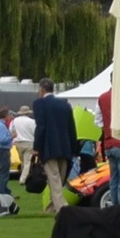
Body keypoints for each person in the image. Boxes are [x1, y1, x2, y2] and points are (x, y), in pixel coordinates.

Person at [32, 80, 78, 213]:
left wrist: (36, 147)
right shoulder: (64, 104)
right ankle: (51, 208)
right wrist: (73, 147)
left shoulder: (39, 104)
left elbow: (41, 127)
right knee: (59, 179)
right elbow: (71, 127)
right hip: (65, 147)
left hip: (49, 147)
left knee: (54, 179)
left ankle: (62, 208)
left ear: (42, 89)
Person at [10, 106, 36, 187]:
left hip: (18, 142)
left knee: (23, 161)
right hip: (29, 142)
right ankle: (23, 179)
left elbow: (11, 131)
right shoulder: (32, 121)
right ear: (28, 113)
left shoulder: (14, 121)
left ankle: (22, 176)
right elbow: (35, 132)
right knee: (27, 162)